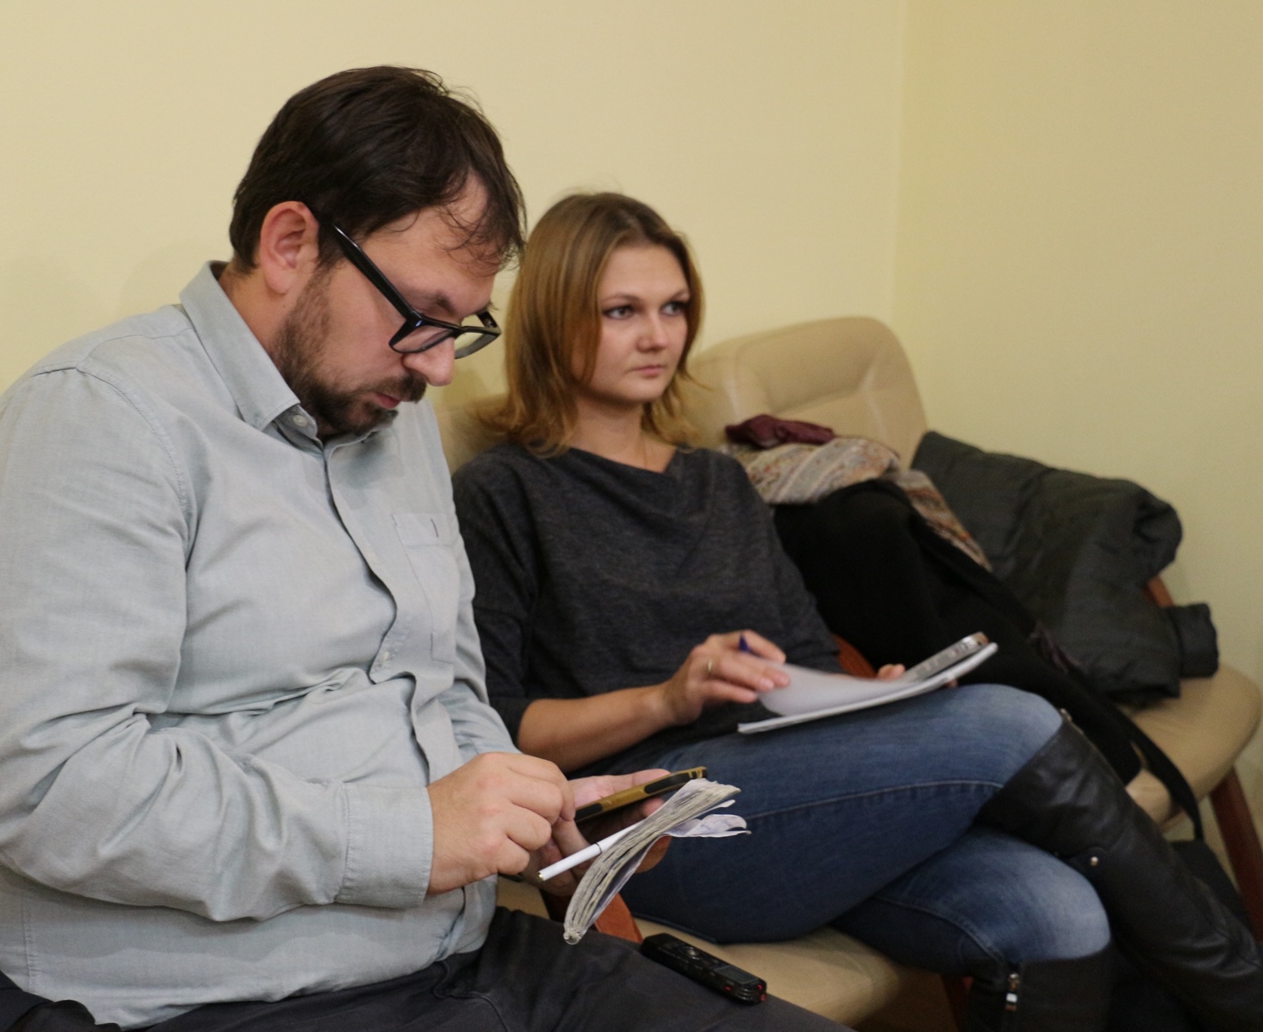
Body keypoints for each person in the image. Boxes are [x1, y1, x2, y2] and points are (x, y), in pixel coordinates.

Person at [0, 69, 848, 1032]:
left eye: (460, 327)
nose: (438, 366)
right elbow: (47, 788)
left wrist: (539, 814)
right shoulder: (97, 420)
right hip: (217, 1001)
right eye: (422, 314)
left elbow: (448, 690)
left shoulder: (389, 420)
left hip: (459, 956)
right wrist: (410, 834)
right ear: (290, 243)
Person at [451, 191, 1263, 1032]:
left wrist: (876, 698)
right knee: (1012, 721)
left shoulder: (717, 482)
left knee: (1058, 911)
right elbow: (497, 728)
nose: (658, 336)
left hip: (795, 790)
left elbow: (803, 657)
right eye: (621, 311)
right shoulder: (504, 492)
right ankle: (1245, 997)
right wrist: (667, 699)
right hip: (659, 823)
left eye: (674, 307)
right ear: (554, 318)